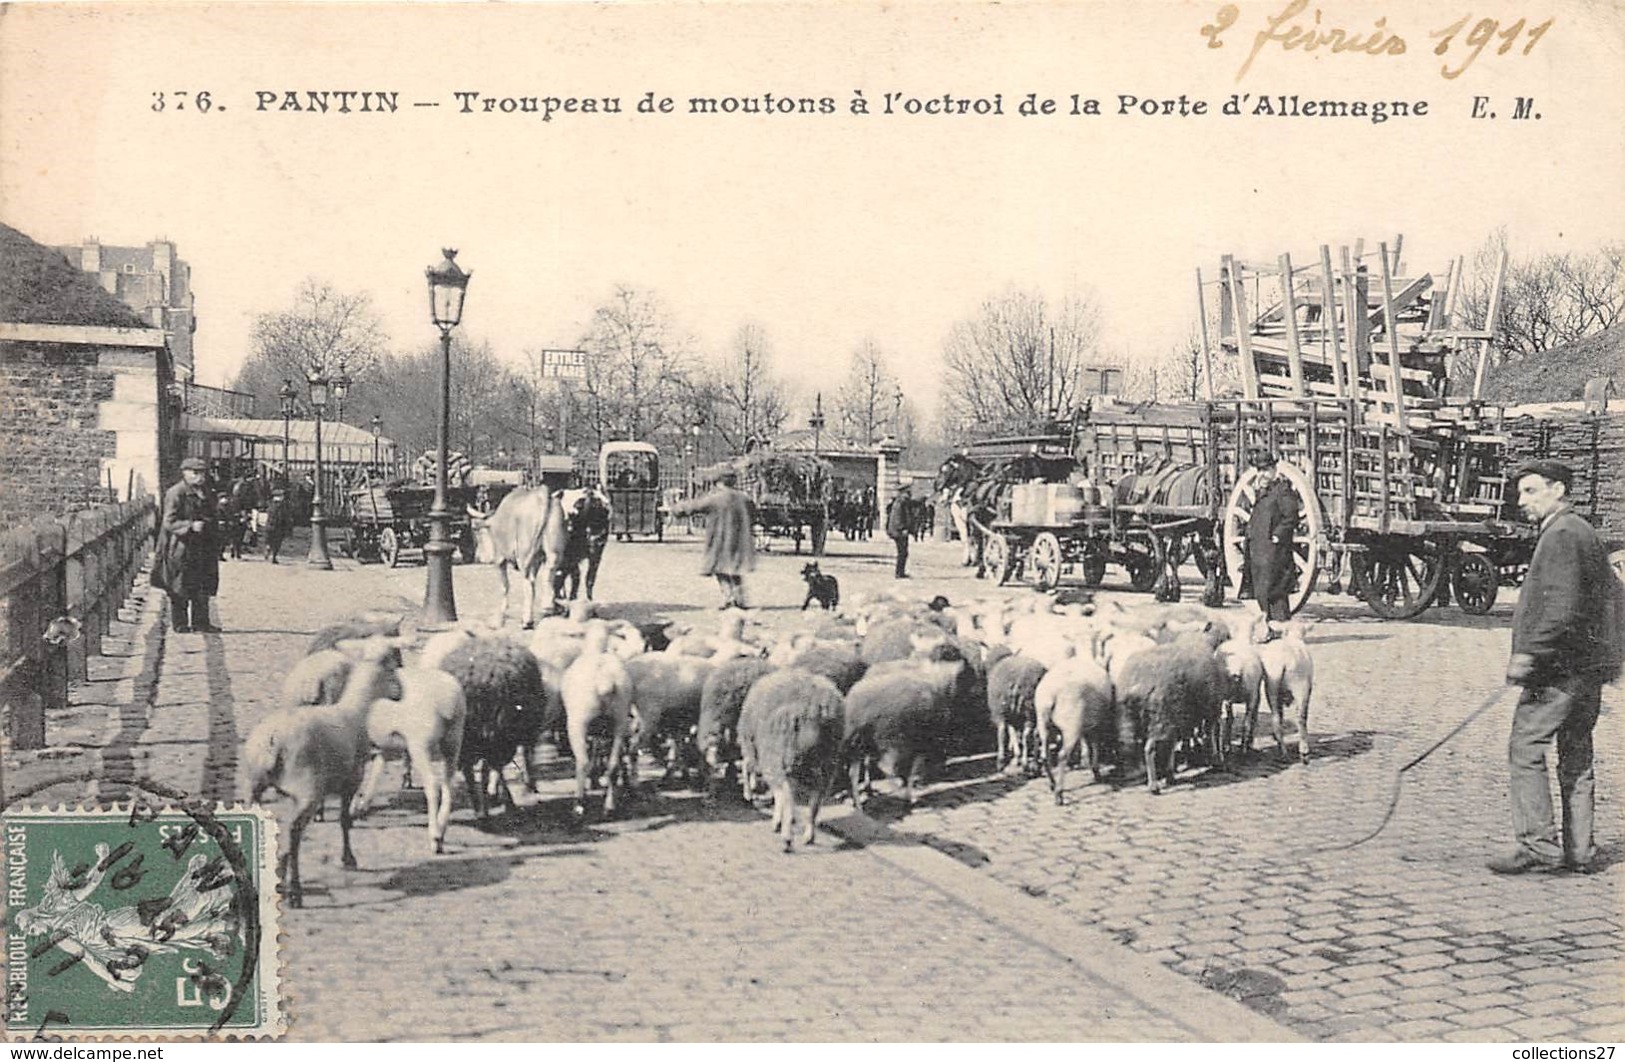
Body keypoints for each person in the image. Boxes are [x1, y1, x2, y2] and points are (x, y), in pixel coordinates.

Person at [1490, 459, 1618, 875]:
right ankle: (1580, 850)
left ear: (1558, 489)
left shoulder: (1561, 534)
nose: (1521, 501)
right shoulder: (1583, 531)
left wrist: (1529, 653)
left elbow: (1560, 607)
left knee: (1525, 748)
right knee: (1576, 753)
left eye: (1530, 491)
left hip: (1557, 670)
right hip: (1588, 668)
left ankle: (1538, 845)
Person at [670, 471, 756, 608]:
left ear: (718, 482)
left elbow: (693, 507)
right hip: (740, 540)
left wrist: (677, 508)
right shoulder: (744, 498)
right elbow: (753, 513)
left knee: (720, 569)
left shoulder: (715, 498)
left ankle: (729, 598)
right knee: (735, 570)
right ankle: (739, 598)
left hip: (720, 539)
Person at [158, 457, 222, 633]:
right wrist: (189, 526)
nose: (200, 477)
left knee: (202, 585)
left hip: (203, 546)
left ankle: (201, 622)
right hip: (182, 546)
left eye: (202, 473)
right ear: (185, 473)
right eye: (195, 473)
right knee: (180, 585)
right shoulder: (176, 493)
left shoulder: (206, 492)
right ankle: (180, 623)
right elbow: (168, 522)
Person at [1243, 450, 1299, 625]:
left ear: (1274, 470)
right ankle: (1269, 626)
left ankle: (1281, 626)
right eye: (1259, 471)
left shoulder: (1282, 491)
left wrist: (1277, 536)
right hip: (1259, 549)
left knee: (1275, 591)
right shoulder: (1262, 491)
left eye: (1266, 470)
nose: (1263, 474)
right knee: (1262, 590)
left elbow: (1291, 517)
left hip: (1275, 551)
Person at [886, 485, 911, 579]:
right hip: (899, 532)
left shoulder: (901, 502)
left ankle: (900, 572)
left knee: (903, 552)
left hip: (898, 531)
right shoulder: (900, 503)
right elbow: (897, 518)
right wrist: (902, 528)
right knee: (902, 552)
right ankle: (899, 573)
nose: (909, 494)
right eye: (908, 492)